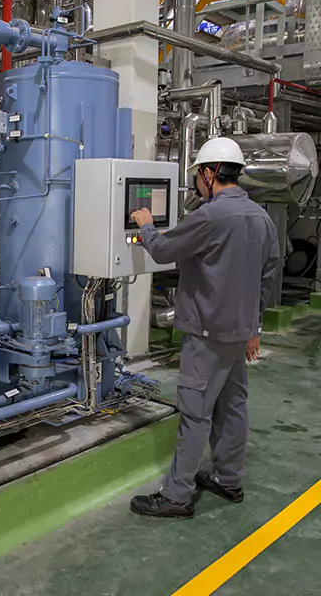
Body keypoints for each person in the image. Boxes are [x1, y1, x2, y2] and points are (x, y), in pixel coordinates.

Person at [129, 137, 280, 519]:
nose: (198, 181)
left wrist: (145, 226)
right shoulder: (261, 217)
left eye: (199, 173)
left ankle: (177, 497)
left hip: (208, 334)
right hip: (238, 335)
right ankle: (230, 480)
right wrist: (254, 327)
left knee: (196, 412)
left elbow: (163, 251)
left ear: (211, 174)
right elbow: (267, 277)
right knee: (233, 408)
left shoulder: (210, 216)